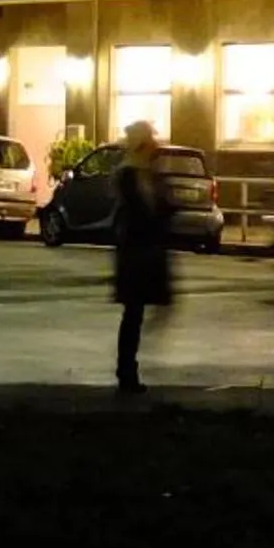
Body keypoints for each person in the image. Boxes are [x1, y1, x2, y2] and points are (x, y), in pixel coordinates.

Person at [111, 121, 172, 391]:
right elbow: (137, 214)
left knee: (137, 312)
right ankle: (126, 371)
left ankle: (127, 369)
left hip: (147, 250)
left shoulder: (150, 173)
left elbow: (162, 209)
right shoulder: (129, 175)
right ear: (143, 144)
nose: (156, 146)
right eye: (151, 141)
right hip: (136, 252)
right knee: (134, 312)